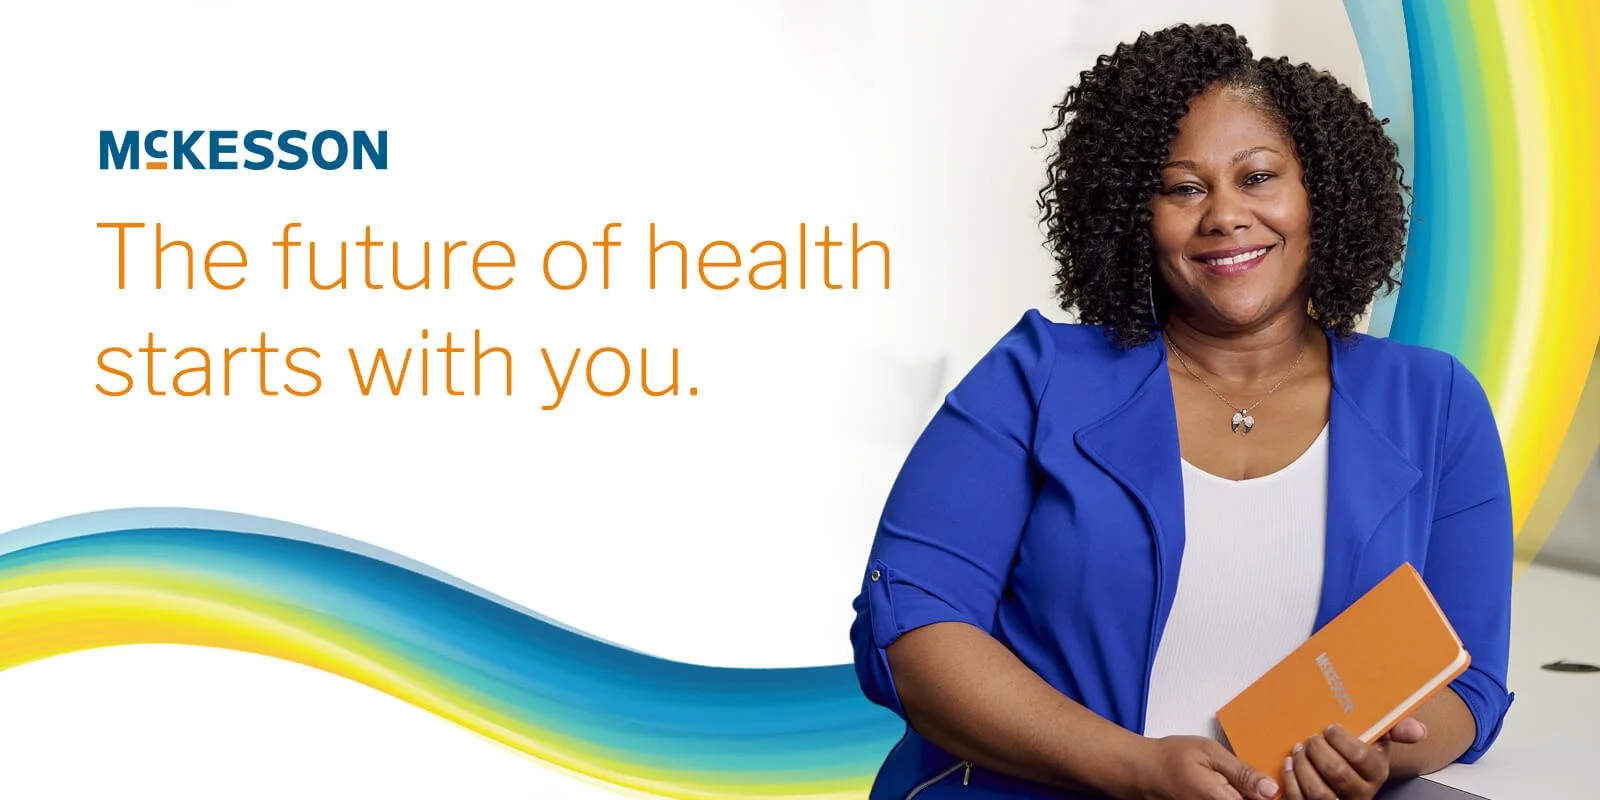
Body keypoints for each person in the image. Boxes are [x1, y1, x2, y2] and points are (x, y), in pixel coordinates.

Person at [848, 22, 1514, 800]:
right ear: (1136, 215)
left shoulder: (1435, 402)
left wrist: (1373, 758)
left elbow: (1468, 685)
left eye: (1258, 177)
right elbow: (911, 628)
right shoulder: (1034, 379)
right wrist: (1130, 767)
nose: (1224, 215)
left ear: (1323, 194)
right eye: (1184, 188)